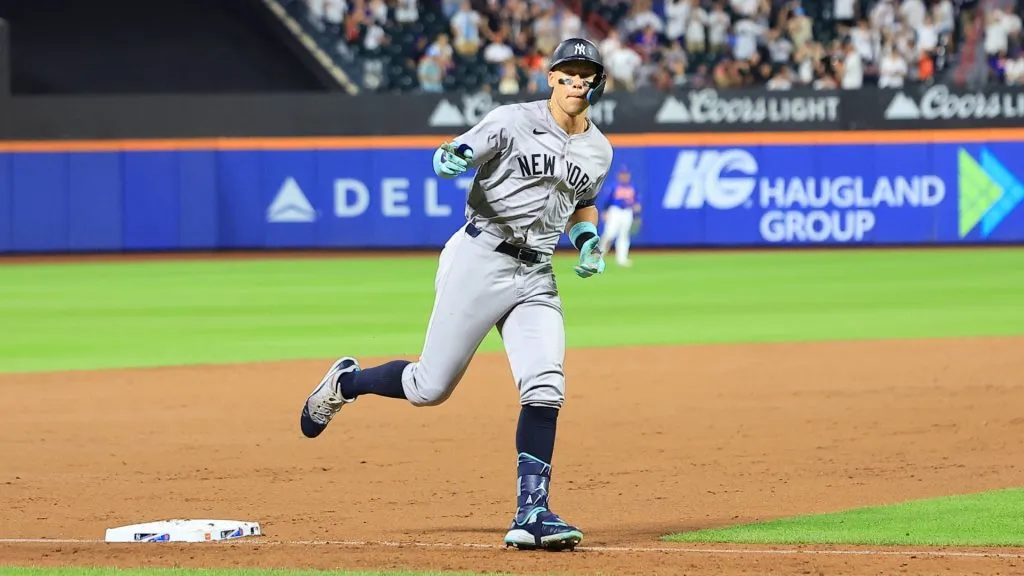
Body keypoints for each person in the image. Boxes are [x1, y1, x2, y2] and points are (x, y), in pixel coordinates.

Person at [299, 38, 614, 552]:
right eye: (567, 72)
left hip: (537, 273)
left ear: (597, 82)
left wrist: (589, 241)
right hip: (480, 258)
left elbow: (583, 204)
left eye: (586, 73)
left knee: (546, 385)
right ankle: (346, 383)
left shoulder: (599, 148)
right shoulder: (513, 119)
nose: (576, 81)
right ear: (550, 77)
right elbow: (460, 150)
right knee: (429, 387)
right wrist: (449, 158)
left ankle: (532, 512)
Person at [599, 165, 641, 267]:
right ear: (619, 175)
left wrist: (637, 210)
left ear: (628, 175)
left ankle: (622, 259)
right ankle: (598, 257)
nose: (624, 176)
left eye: (625, 174)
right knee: (609, 234)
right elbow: (607, 201)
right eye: (622, 174)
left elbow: (637, 202)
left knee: (624, 235)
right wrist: (604, 211)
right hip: (615, 211)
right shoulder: (614, 186)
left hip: (627, 212)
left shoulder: (633, 187)